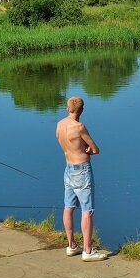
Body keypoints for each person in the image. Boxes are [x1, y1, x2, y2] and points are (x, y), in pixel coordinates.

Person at [56, 96, 108, 261]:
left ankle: (71, 245)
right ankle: (87, 250)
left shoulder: (59, 125)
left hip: (68, 169)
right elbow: (95, 149)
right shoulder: (79, 127)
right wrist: (87, 149)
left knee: (68, 207)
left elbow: (65, 143)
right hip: (82, 171)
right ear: (82, 110)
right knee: (87, 210)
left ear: (67, 109)